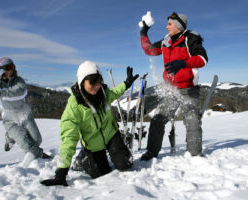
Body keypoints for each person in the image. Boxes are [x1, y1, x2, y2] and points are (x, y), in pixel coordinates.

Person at [41, 61, 138, 186]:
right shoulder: (75, 106)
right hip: (93, 144)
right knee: (102, 174)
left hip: (111, 134)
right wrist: (61, 171)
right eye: (92, 81)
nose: (97, 85)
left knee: (126, 164)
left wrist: (127, 83)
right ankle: (83, 159)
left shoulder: (103, 92)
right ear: (82, 81)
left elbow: (115, 93)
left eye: (99, 81)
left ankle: (113, 153)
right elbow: (69, 138)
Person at [139, 12, 208, 161]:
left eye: (169, 24)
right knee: (158, 119)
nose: (166, 26)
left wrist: (184, 63)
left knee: (192, 121)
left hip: (189, 89)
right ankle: (151, 152)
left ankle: (195, 156)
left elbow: (202, 59)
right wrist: (143, 32)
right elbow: (149, 50)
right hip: (171, 89)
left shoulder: (191, 38)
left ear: (178, 26)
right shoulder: (166, 41)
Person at [0, 57, 51, 160]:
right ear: (1, 70)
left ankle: (10, 136)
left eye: (12, 67)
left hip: (24, 114)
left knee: (37, 140)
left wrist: (0, 92)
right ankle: (40, 155)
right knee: (28, 145)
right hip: (9, 118)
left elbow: (20, 92)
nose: (10, 70)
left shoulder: (19, 81)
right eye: (7, 68)